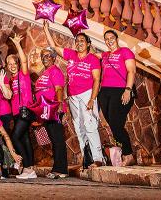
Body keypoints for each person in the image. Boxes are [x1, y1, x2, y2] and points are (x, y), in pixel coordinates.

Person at [44, 20, 103, 168]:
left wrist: (92, 99)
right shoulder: (71, 55)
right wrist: (46, 30)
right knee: (79, 127)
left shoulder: (93, 59)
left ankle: (98, 158)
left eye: (82, 41)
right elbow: (54, 47)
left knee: (90, 125)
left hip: (87, 94)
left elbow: (97, 80)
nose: (79, 43)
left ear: (88, 44)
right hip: (73, 97)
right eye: (77, 41)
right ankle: (87, 158)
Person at [98, 29, 137, 165]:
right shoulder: (104, 55)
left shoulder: (125, 51)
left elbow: (131, 71)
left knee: (115, 124)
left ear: (117, 39)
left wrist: (128, 90)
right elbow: (87, 54)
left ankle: (128, 155)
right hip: (105, 92)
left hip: (120, 90)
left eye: (111, 38)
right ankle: (126, 154)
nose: (109, 41)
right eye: (106, 39)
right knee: (114, 125)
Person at [7, 34, 39, 179]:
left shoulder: (23, 74)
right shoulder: (11, 79)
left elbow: (24, 60)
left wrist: (17, 44)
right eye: (9, 64)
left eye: (14, 63)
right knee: (25, 139)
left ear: (18, 64)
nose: (12, 66)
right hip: (16, 113)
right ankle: (30, 169)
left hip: (25, 110)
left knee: (15, 137)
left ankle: (26, 167)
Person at [34, 46, 69, 178]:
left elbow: (59, 89)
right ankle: (59, 168)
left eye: (48, 55)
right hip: (46, 110)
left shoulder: (55, 71)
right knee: (54, 139)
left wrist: (59, 104)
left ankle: (61, 170)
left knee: (57, 139)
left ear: (54, 58)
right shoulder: (45, 72)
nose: (45, 58)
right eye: (43, 56)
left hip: (54, 109)